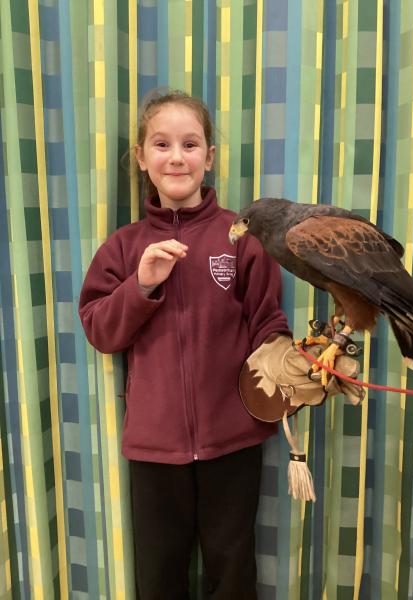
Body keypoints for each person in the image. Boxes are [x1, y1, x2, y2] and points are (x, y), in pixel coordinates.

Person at [78, 89, 291, 599]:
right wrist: (141, 284)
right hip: (154, 449)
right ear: (141, 157)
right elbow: (100, 329)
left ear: (209, 157)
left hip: (234, 440)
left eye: (190, 144)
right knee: (158, 577)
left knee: (233, 572)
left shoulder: (243, 240)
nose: (176, 157)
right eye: (162, 144)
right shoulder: (123, 247)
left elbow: (267, 322)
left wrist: (290, 370)